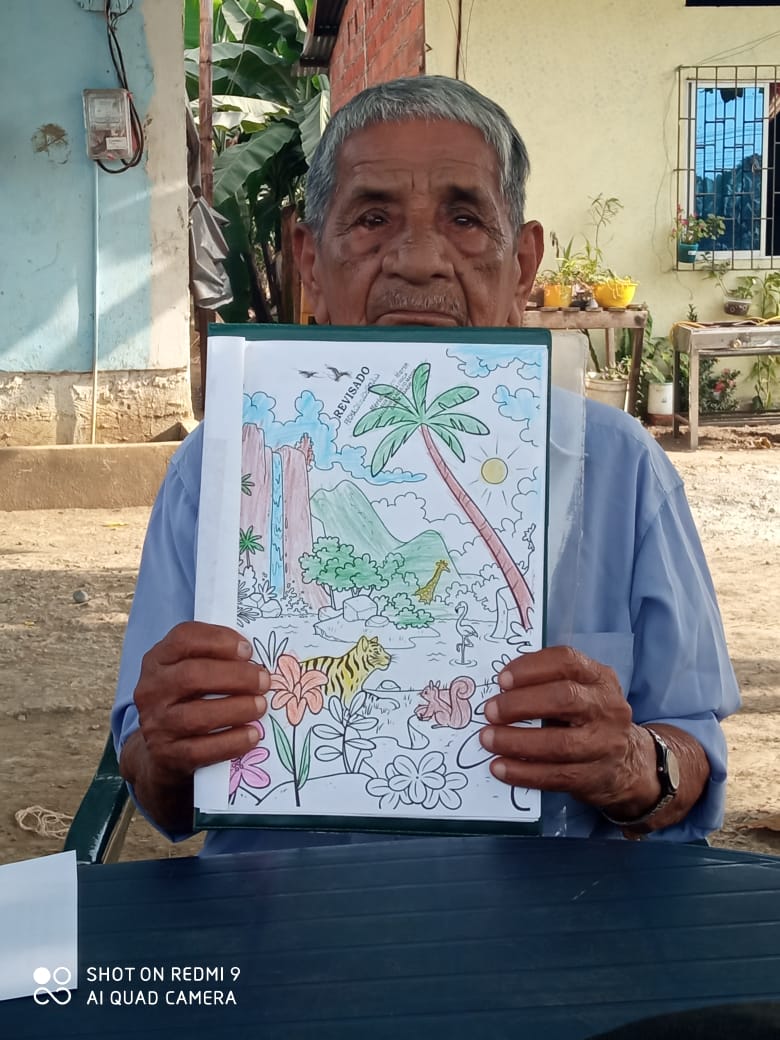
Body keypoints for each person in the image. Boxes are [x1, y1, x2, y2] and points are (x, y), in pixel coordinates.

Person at [112, 76, 739, 854]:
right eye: (372, 219)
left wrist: (635, 764)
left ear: (522, 264)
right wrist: (167, 750)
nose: (417, 261)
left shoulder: (622, 468)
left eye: (465, 219)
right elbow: (158, 787)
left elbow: (692, 753)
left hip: (557, 921)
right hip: (286, 916)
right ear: (310, 259)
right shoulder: (217, 469)